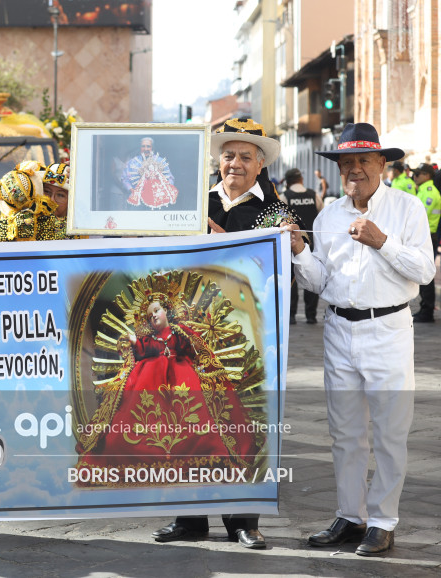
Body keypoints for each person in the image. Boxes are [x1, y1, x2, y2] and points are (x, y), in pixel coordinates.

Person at [286, 123, 435, 557]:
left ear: (382, 164)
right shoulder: (329, 215)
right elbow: (320, 281)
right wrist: (299, 252)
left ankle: (383, 521)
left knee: (391, 432)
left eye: (363, 161)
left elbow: (424, 272)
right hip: (338, 331)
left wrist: (382, 242)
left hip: (388, 329)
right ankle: (350, 516)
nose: (354, 170)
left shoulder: (406, 209)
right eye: (346, 163)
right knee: (346, 432)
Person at [153, 117, 300, 550]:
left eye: (245, 157)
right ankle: (190, 517)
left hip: (244, 334)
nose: (235, 163)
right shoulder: (191, 204)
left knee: (243, 421)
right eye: (228, 155)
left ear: (260, 165)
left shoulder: (276, 213)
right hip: (188, 331)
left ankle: (243, 519)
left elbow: (281, 276)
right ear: (218, 160)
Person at [75, 289, 261, 474]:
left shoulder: (179, 331)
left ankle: (205, 451)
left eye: (156, 311)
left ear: (167, 311)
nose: (153, 316)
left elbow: (192, 346)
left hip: (182, 375)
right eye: (149, 316)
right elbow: (141, 350)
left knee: (198, 414)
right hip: (149, 378)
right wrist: (133, 341)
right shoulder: (149, 340)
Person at [280, 168, 322, 324]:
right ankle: (311, 315)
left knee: (291, 279)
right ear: (301, 180)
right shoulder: (313, 195)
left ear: (287, 181)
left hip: (290, 243)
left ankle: (291, 315)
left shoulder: (285, 197)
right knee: (312, 274)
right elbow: (321, 215)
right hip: (311, 242)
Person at [0, 161, 66, 242]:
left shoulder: (76, 230)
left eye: (60, 195)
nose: (51, 199)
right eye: (47, 191)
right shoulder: (10, 224)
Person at [408, 163, 440, 322]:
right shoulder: (422, 191)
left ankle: (427, 311)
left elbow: (418, 219)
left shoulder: (429, 193)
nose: (415, 176)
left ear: (427, 176)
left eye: (418, 174)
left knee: (425, 274)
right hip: (424, 235)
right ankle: (425, 309)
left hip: (427, 236)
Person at [121, 137, 179, 208]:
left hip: (157, 202)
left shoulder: (160, 161)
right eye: (143, 146)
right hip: (138, 202)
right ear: (140, 148)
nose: (146, 149)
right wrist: (132, 190)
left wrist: (165, 191)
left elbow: (170, 178)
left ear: (152, 148)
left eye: (148, 146)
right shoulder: (132, 162)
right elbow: (124, 179)